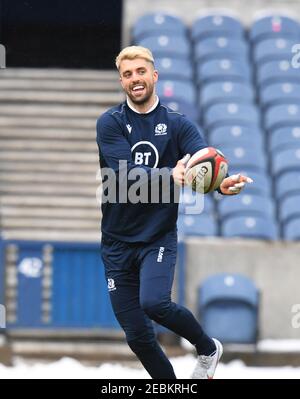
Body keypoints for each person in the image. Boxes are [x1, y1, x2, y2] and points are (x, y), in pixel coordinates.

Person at [96, 46, 253, 379]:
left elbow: (205, 163)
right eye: (127, 74)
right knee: (138, 337)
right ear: (122, 81)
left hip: (157, 237)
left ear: (154, 75)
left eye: (140, 72)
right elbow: (124, 177)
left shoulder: (178, 125)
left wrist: (220, 184)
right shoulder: (109, 123)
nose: (134, 79)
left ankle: (208, 347)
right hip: (116, 242)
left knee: (154, 303)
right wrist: (169, 175)